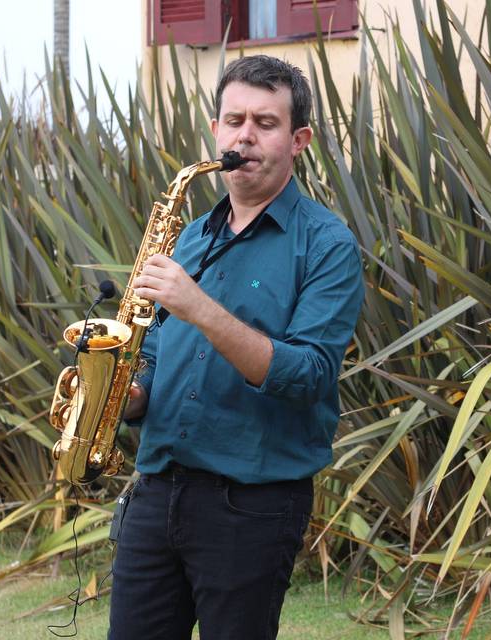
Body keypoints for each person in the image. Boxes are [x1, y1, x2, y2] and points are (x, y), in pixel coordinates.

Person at [107, 55, 364, 639]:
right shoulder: (189, 236)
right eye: (233, 120)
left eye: (265, 123)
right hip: (156, 492)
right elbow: (152, 354)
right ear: (216, 131)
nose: (244, 135)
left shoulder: (327, 246)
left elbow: (308, 375)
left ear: (299, 139)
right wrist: (126, 391)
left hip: (251, 507)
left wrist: (196, 305)